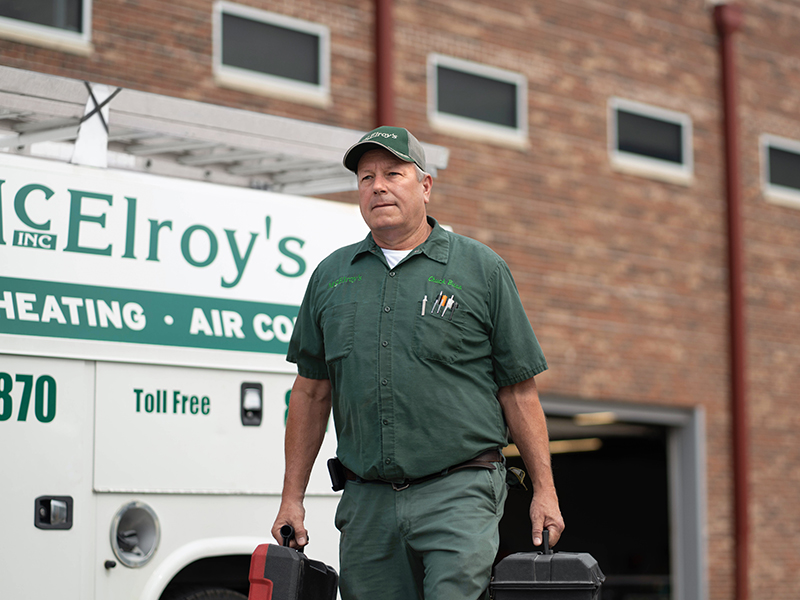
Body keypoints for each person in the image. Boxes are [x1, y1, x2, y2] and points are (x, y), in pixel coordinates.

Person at [271, 126, 564, 600]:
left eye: (393, 173)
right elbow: (310, 392)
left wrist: (545, 493)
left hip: (459, 492)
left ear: (425, 185)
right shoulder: (330, 276)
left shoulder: (481, 269)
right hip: (367, 502)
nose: (378, 186)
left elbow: (518, 390)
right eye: (366, 178)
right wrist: (292, 499)